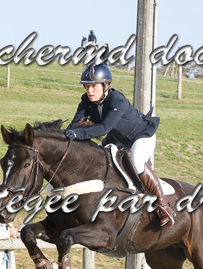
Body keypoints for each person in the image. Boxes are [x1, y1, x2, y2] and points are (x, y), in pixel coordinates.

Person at [64, 63, 176, 227]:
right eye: (87, 86)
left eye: (94, 86)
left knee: (137, 164)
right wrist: (64, 134)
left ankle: (164, 206)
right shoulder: (86, 100)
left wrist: (78, 134)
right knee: (97, 157)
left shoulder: (117, 100)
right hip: (117, 138)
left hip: (141, 135)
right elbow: (75, 124)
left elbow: (104, 128)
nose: (89, 91)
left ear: (105, 85)